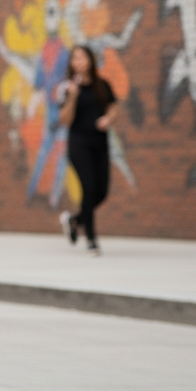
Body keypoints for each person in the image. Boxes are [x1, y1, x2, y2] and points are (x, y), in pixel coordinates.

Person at [58, 45, 118, 254]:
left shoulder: (102, 85)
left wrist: (108, 119)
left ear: (90, 61)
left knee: (101, 192)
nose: (79, 62)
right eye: (75, 59)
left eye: (83, 58)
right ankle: (91, 239)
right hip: (79, 144)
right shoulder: (67, 88)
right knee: (89, 187)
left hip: (100, 143)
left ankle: (75, 220)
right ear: (72, 64)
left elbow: (112, 106)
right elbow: (65, 120)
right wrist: (73, 96)